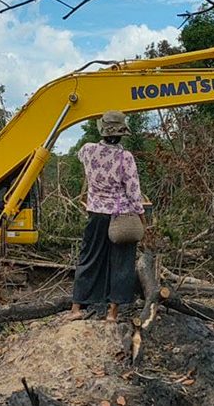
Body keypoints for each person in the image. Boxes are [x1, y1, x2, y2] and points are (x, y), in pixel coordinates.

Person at [66, 110, 145, 323]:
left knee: (89, 258)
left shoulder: (87, 150)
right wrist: (141, 214)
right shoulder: (125, 157)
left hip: (95, 214)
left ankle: (76, 307)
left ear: (102, 130)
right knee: (120, 263)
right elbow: (133, 191)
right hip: (120, 217)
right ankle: (112, 313)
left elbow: (81, 159)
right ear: (121, 134)